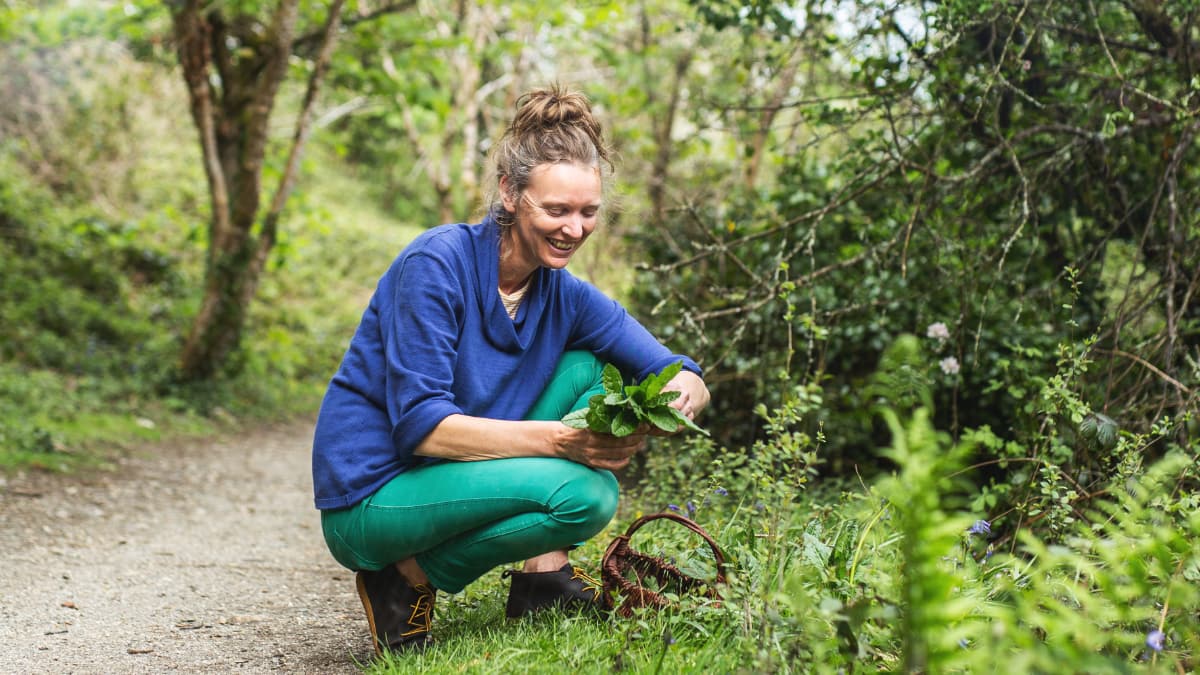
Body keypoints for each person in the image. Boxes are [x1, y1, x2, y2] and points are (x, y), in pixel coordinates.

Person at [311, 84, 710, 656]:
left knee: (591, 371)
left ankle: (541, 577)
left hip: (453, 474)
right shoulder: (436, 264)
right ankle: (403, 577)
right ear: (509, 193)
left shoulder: (563, 294)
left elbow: (677, 369)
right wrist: (563, 442)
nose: (574, 228)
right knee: (586, 495)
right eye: (556, 210)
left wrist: (680, 396)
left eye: (588, 212)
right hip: (374, 495)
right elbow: (423, 428)